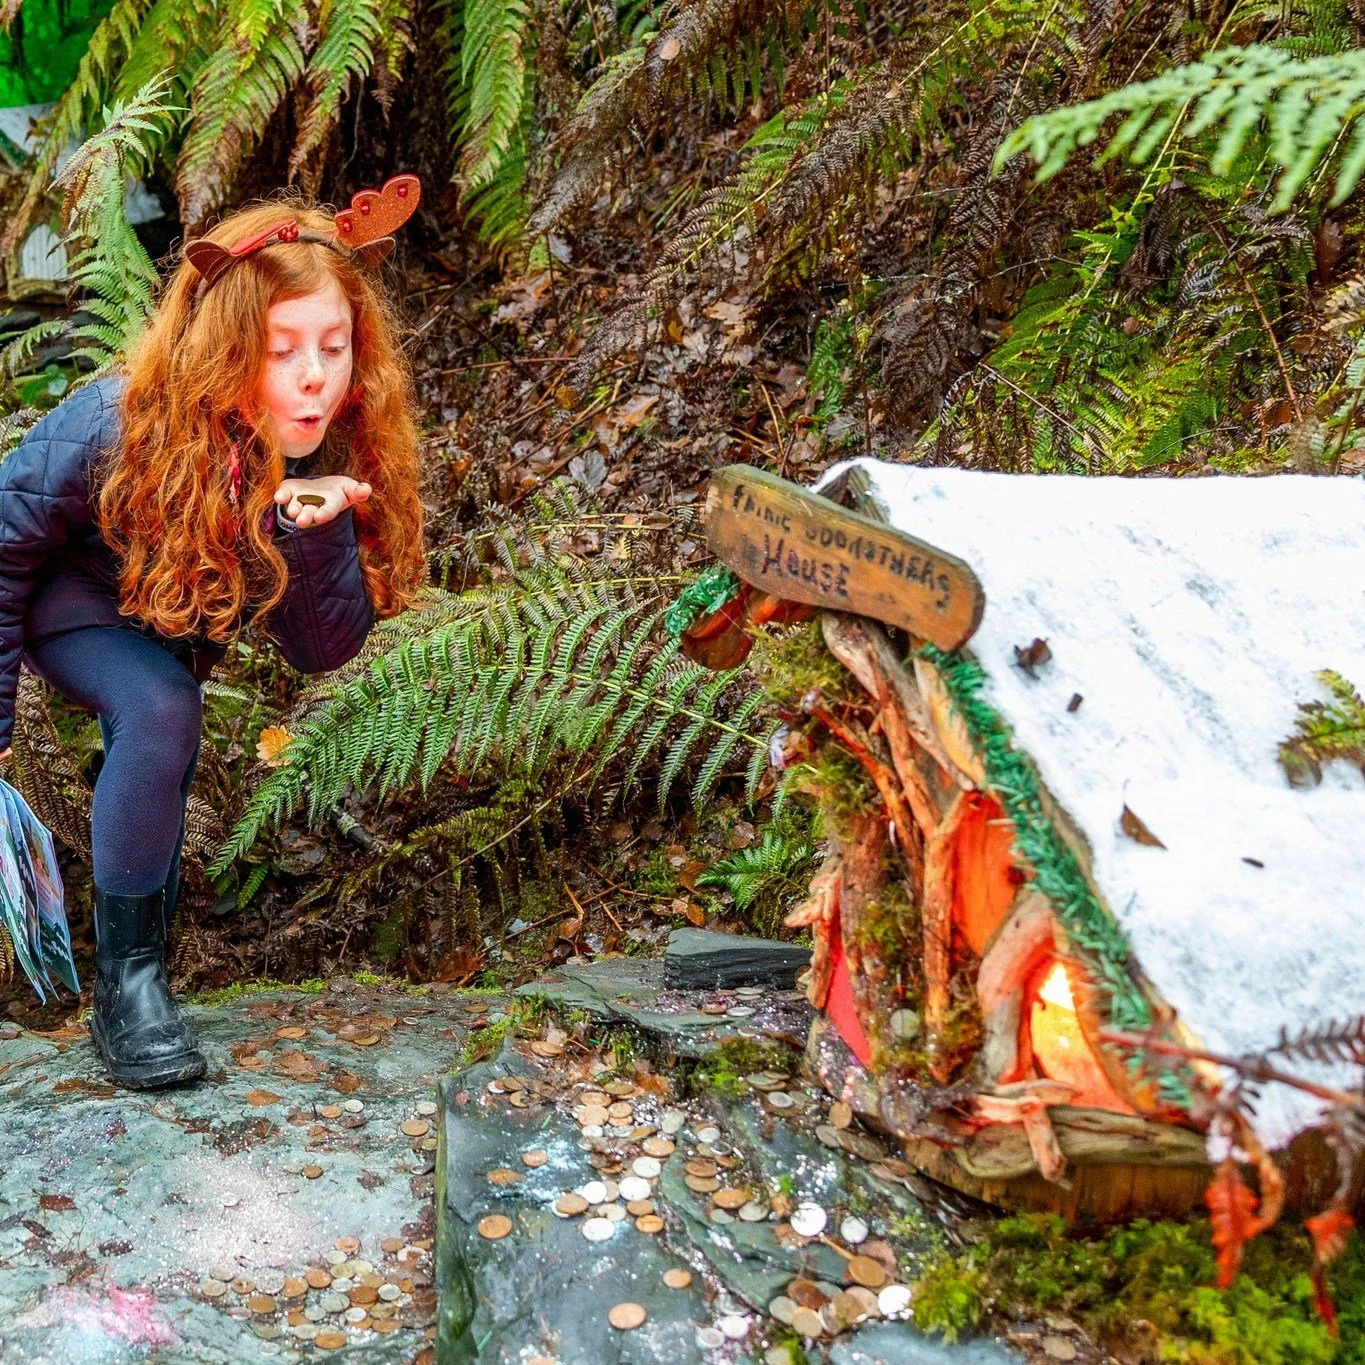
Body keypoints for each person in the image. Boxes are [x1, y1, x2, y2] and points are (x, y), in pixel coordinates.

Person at [0, 182, 429, 1088]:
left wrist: (311, 534)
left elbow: (320, 650)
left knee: (167, 730)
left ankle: (144, 956)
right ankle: (129, 987)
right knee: (160, 709)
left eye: (334, 346)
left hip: (169, 613)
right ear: (226, 348)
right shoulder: (116, 421)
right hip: (67, 593)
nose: (315, 375)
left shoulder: (328, 437)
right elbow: (4, 537)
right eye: (282, 352)